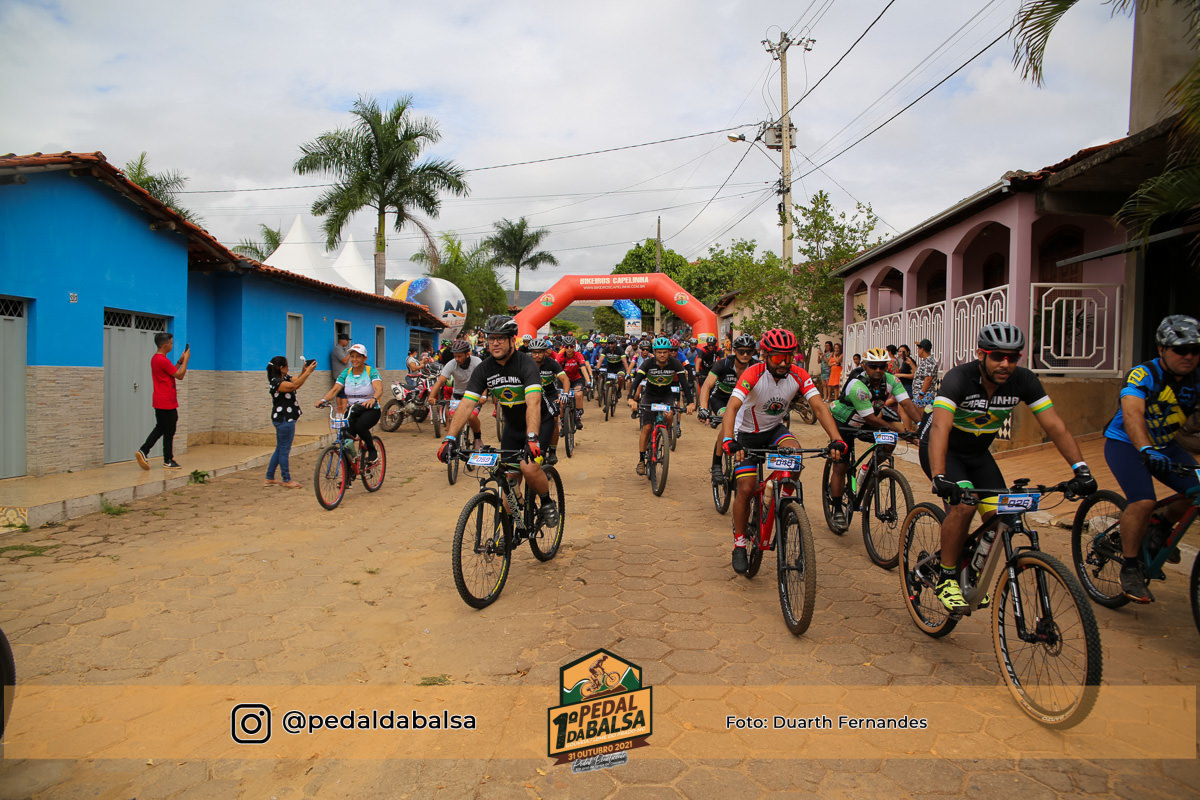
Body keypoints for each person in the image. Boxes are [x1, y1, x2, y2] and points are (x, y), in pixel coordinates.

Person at [922, 322, 1096, 612]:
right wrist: (940, 476)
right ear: (981, 354)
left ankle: (970, 570)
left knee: (1002, 516)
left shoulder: (1024, 381)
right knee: (964, 505)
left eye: (1012, 357)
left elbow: (1055, 425)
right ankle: (947, 576)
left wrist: (1081, 469)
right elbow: (940, 427)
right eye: (997, 356)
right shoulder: (959, 378)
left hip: (978, 454)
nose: (1005, 364)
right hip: (944, 450)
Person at [721, 328, 848, 574]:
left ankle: (784, 498)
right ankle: (739, 543)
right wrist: (729, 440)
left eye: (788, 357)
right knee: (746, 488)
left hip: (774, 430)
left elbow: (819, 407)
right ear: (765, 355)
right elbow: (732, 407)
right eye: (778, 357)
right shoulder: (753, 373)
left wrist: (836, 439)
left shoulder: (799, 374)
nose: (784, 363)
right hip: (747, 434)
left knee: (795, 453)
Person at [1102, 314, 1200, 602]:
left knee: (1196, 489)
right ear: (1161, 349)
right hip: (1127, 445)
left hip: (1167, 445)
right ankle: (1130, 568)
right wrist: (1146, 449)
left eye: (1195, 350)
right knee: (1143, 500)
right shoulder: (1143, 374)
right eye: (1181, 350)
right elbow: (1132, 414)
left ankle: (1160, 526)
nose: (1189, 356)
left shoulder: (1197, 378)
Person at [437, 315, 558, 527]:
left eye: (500, 338)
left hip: (540, 422)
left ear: (512, 340)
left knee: (528, 468)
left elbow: (533, 402)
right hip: (513, 427)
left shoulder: (526, 364)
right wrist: (449, 439)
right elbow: (467, 404)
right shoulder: (484, 369)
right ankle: (510, 532)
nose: (495, 343)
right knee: (508, 481)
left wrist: (532, 437)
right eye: (491, 338)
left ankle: (547, 502)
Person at [827, 348, 923, 528]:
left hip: (866, 420)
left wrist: (922, 426)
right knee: (841, 465)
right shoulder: (857, 386)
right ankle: (838, 509)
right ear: (864, 366)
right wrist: (898, 431)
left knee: (889, 440)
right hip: (845, 422)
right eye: (873, 366)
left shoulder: (891, 380)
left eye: (882, 366)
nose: (878, 370)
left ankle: (869, 471)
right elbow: (871, 419)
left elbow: (907, 404)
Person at [627, 337, 695, 475]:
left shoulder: (675, 363)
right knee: (647, 427)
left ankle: (666, 433)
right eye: (659, 352)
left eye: (665, 352)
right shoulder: (648, 363)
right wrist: (631, 399)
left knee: (669, 415)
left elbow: (684, 384)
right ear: (655, 352)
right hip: (650, 396)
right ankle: (641, 460)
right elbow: (636, 381)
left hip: (666, 395)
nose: (662, 355)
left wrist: (691, 402)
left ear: (669, 352)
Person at [698, 333, 759, 484]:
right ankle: (717, 464)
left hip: (743, 402)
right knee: (727, 423)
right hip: (721, 400)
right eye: (741, 351)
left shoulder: (756, 366)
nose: (745, 355)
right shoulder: (723, 364)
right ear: (734, 351)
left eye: (749, 352)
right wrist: (703, 408)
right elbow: (707, 386)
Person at [315, 343, 383, 465]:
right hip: (353, 410)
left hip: (370, 409)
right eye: (352, 356)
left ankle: (372, 451)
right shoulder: (346, 373)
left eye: (358, 357)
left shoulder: (371, 372)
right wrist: (323, 400)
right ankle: (350, 469)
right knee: (345, 438)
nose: (354, 359)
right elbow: (335, 390)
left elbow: (379, 389)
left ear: (364, 358)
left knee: (360, 427)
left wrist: (373, 399)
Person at [134, 332, 189, 470]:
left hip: (160, 400)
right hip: (166, 401)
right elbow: (180, 375)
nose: (172, 345)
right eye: (171, 343)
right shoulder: (162, 360)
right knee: (168, 430)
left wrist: (180, 361)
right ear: (165, 345)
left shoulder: (156, 359)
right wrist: (186, 360)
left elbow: (171, 372)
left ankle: (146, 452)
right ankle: (166, 459)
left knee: (161, 428)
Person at [265, 355, 316, 488]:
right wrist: (308, 372)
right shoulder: (276, 382)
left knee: (280, 448)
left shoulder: (284, 378)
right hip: (284, 419)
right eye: (287, 366)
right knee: (284, 450)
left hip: (284, 418)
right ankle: (286, 479)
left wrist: (304, 371)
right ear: (281, 368)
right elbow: (294, 386)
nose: (288, 368)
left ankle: (269, 477)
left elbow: (297, 381)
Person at [427, 339, 484, 449]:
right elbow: (440, 381)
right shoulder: (451, 364)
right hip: (458, 395)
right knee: (453, 417)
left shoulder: (477, 362)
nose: (456, 359)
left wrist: (483, 396)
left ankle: (477, 438)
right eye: (455, 356)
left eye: (459, 356)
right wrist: (431, 396)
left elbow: (483, 380)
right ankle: (452, 443)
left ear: (467, 354)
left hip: (474, 394)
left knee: (471, 416)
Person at [530, 338, 572, 464]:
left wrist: (565, 394)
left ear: (545, 352)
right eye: (534, 352)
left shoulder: (552, 363)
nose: (537, 355)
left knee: (553, 419)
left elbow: (564, 379)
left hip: (549, 394)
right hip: (532, 395)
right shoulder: (526, 363)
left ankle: (552, 451)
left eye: (540, 352)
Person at [553, 336, 593, 429]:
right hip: (563, 380)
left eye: (571, 346)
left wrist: (588, 381)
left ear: (574, 347)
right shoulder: (560, 356)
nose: (569, 349)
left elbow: (583, 368)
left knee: (578, 394)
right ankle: (563, 423)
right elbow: (554, 371)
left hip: (576, 379)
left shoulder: (579, 355)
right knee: (562, 402)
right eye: (566, 347)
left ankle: (578, 417)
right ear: (563, 347)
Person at [912, 339, 940, 412]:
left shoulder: (929, 362)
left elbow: (928, 379)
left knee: (922, 415)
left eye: (918, 349)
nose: (917, 351)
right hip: (920, 394)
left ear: (922, 349)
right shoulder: (925, 361)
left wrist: (921, 393)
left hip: (925, 395)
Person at [331, 332, 351, 412]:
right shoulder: (337, 349)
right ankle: (342, 412)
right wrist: (350, 353)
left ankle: (340, 413)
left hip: (344, 376)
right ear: (342, 340)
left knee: (340, 394)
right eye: (347, 340)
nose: (348, 342)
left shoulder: (344, 349)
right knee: (343, 394)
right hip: (341, 376)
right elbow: (344, 360)